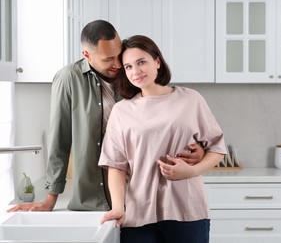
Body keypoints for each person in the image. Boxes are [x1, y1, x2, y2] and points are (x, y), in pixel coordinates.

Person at [7, 20, 204, 212]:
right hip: (92, 199)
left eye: (119, 55)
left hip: (142, 197)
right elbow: (60, 140)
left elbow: (166, 123)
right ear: (87, 54)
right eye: (108, 59)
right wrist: (49, 200)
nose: (118, 64)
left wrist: (199, 151)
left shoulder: (133, 73)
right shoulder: (68, 79)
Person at [98, 35, 226, 243]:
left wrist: (191, 170)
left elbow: (217, 149)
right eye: (128, 67)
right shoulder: (121, 111)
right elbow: (116, 165)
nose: (136, 71)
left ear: (157, 61)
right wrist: (118, 207)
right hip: (138, 215)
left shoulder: (191, 99)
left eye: (141, 62)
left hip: (187, 211)